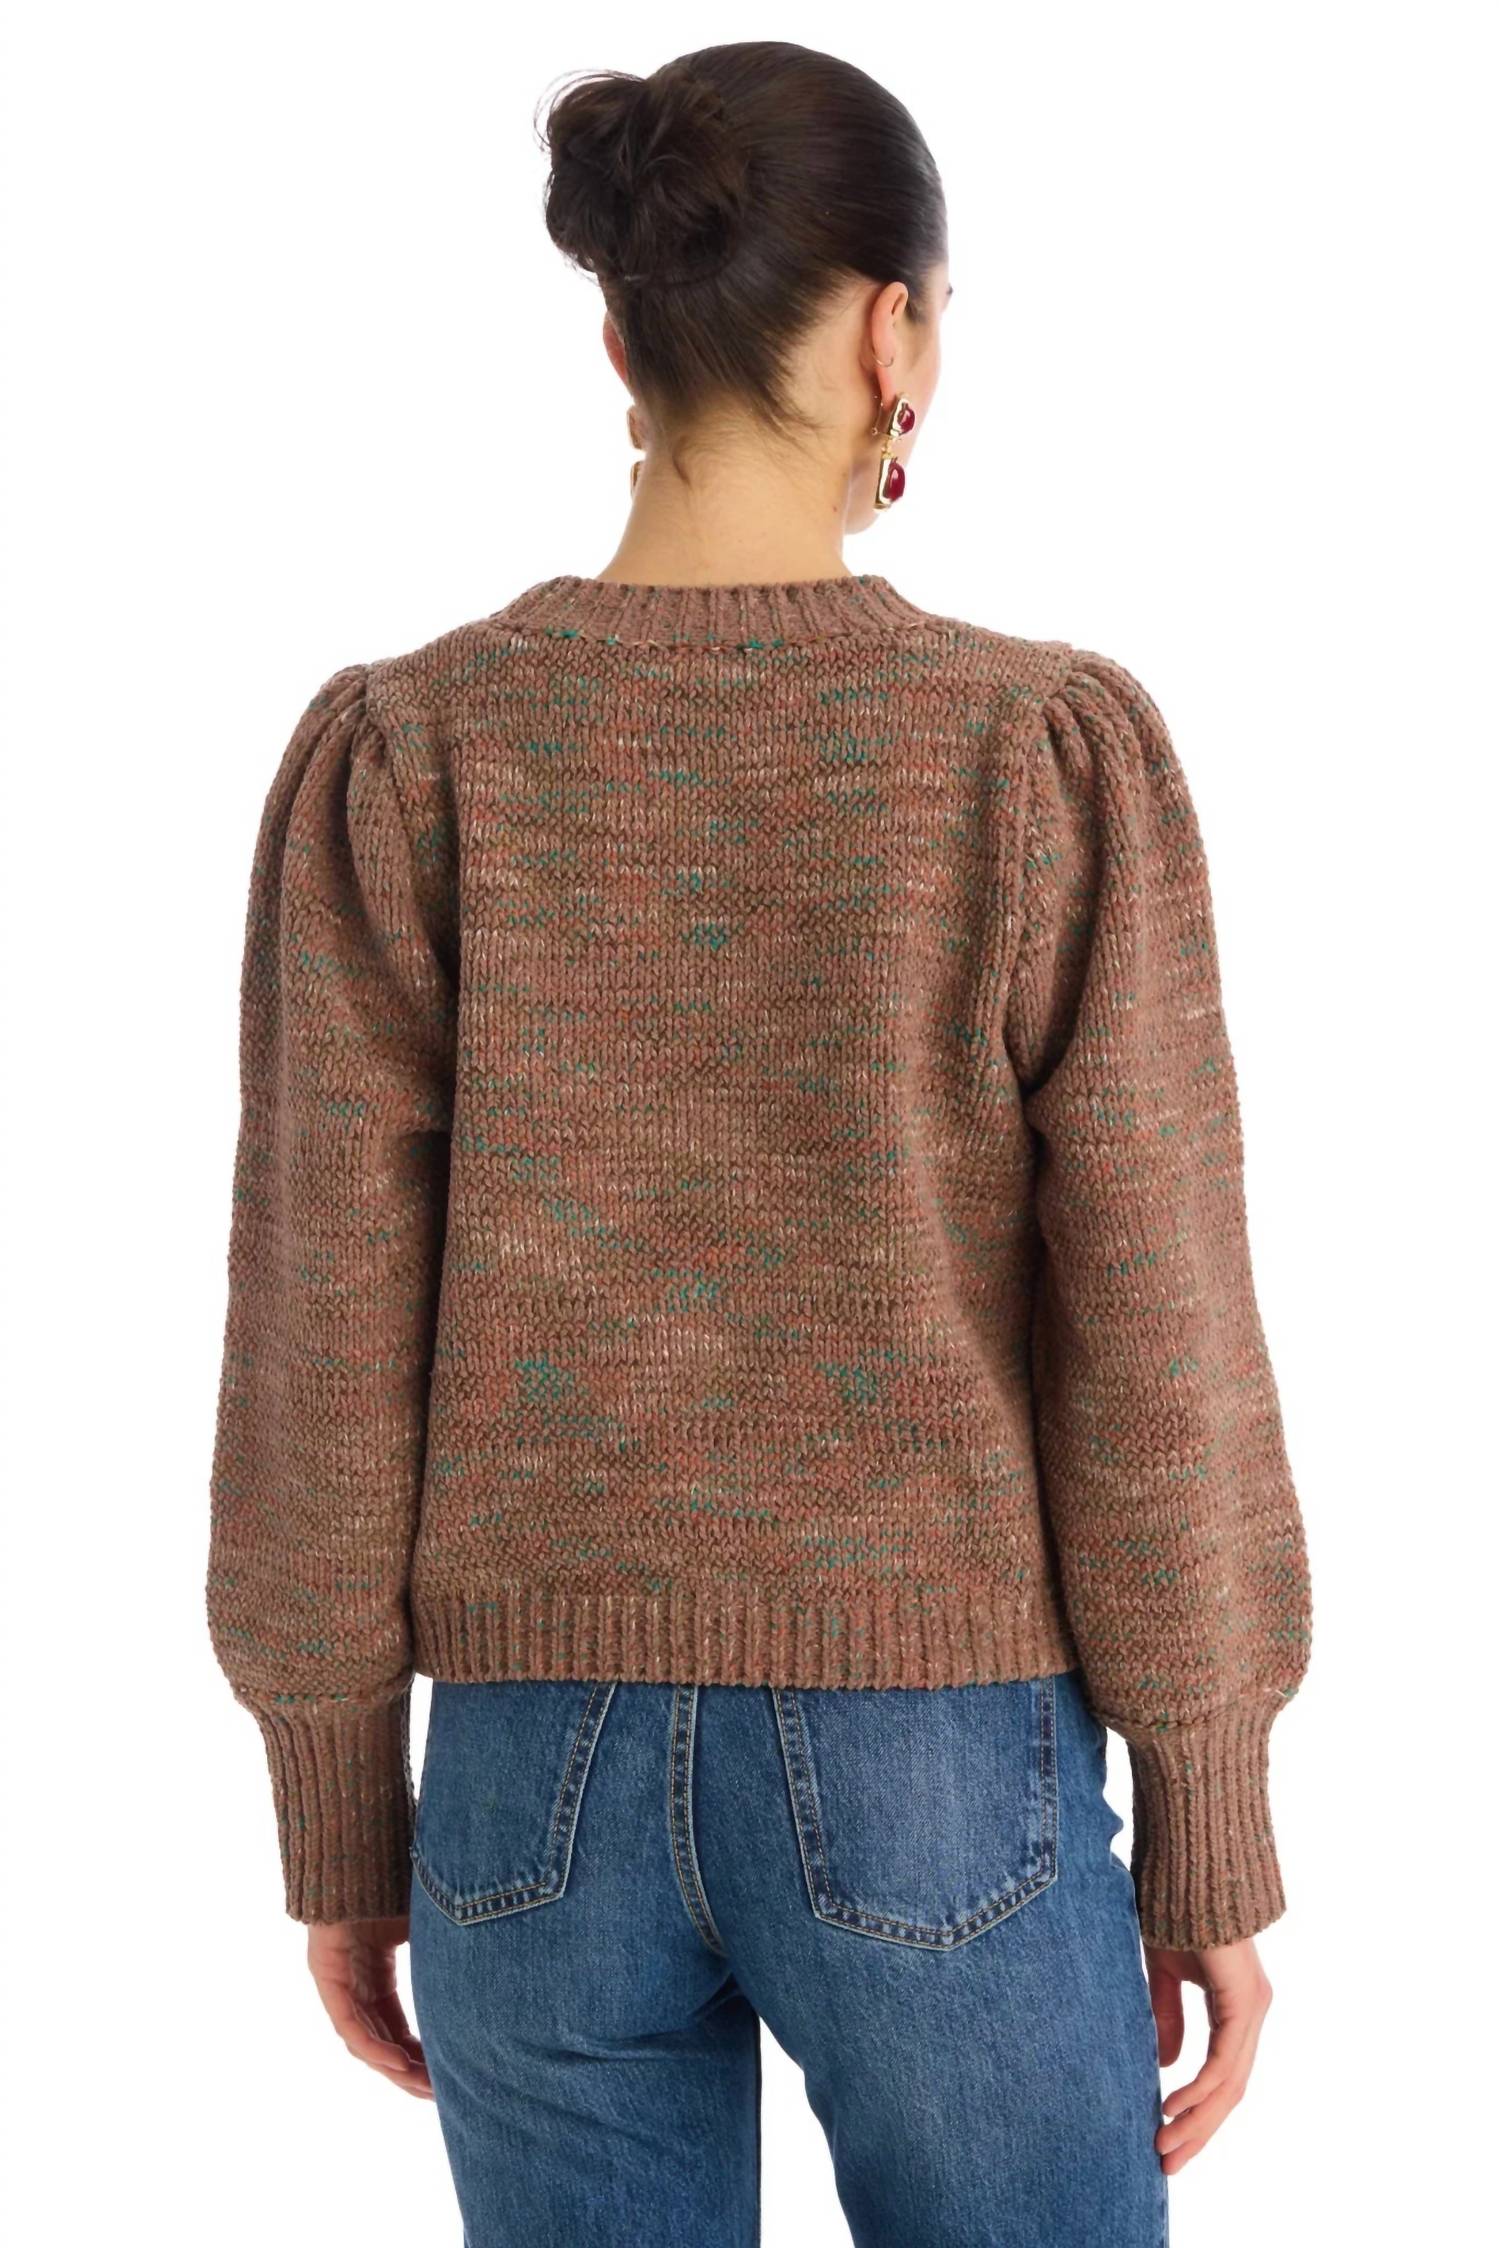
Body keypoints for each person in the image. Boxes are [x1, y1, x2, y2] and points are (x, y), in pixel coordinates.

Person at [205, 38, 1313, 2248]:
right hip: (939, 1758)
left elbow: (320, 1328)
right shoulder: (1034, 754)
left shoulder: (410, 755)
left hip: (523, 1774)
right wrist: (1207, 1805)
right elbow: (1155, 1322)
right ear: (897, 335)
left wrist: (339, 1801)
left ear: (619, 341)